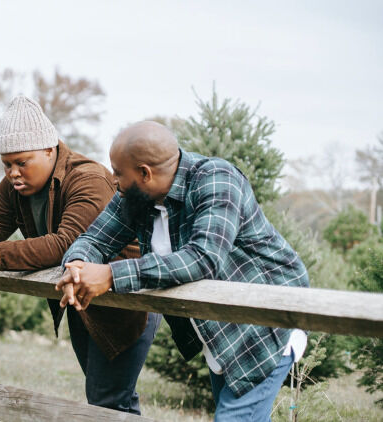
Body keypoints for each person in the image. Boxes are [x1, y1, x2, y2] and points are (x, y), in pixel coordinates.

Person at [56, 121, 309, 421]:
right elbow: (93, 239)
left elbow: (202, 258)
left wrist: (111, 276)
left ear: (144, 173)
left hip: (267, 324)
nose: (113, 180)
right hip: (219, 332)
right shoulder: (136, 198)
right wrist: (77, 267)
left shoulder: (216, 179)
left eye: (118, 172)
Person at [0, 96, 161, 415]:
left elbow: (65, 245)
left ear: (50, 150)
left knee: (108, 403)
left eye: (22, 162)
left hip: (126, 303)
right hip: (84, 302)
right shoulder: (15, 185)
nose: (13, 172)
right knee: (109, 401)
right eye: (6, 164)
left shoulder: (87, 178)